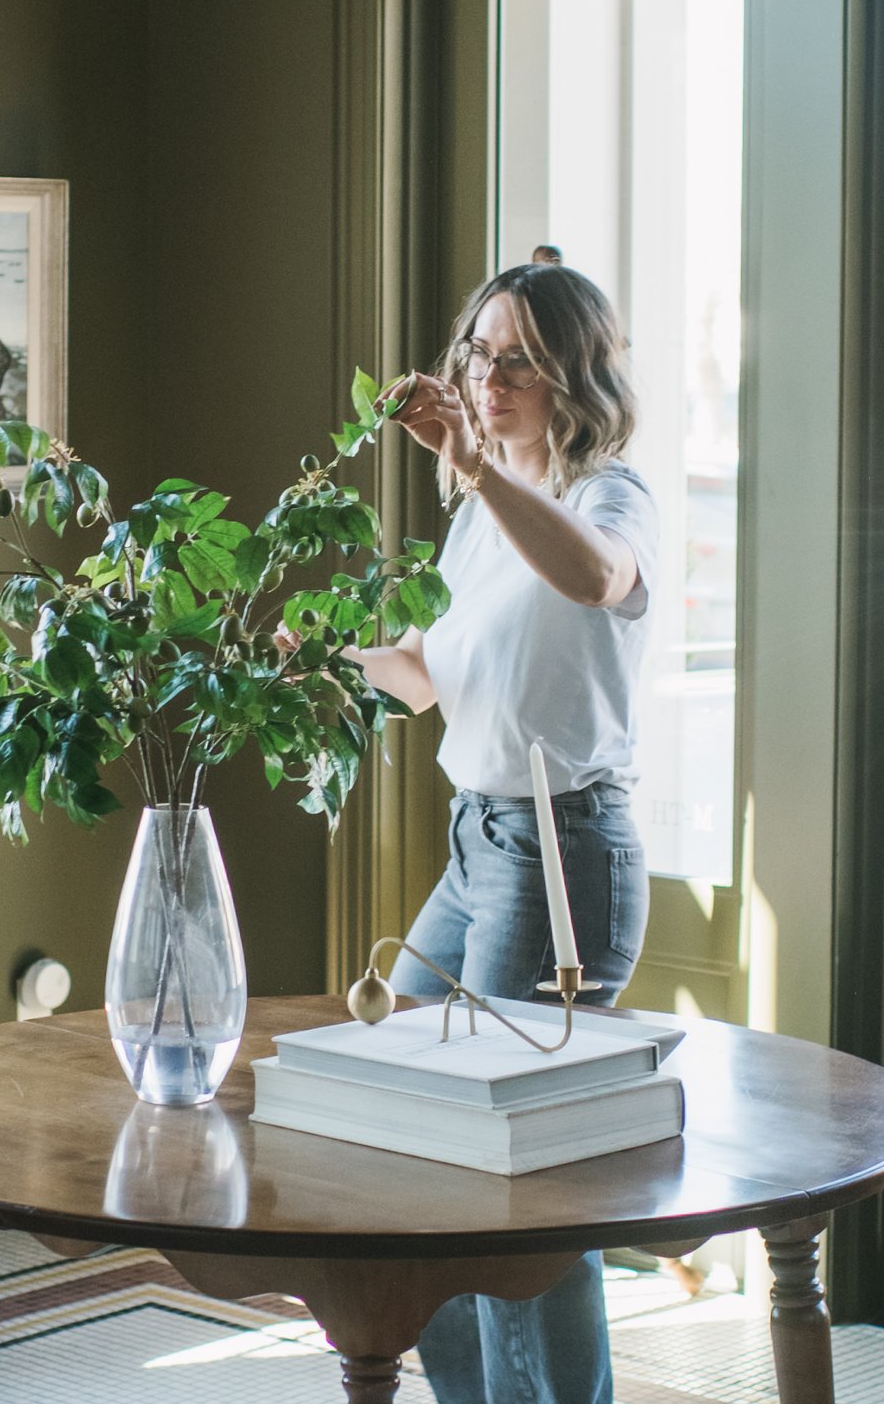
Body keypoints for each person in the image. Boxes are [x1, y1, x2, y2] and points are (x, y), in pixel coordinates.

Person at [349, 255, 655, 1404]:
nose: (487, 376)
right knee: (419, 1126)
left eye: (519, 356)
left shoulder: (607, 494)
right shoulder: (473, 522)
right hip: (478, 843)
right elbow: (428, 676)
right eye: (477, 351)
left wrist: (476, 472)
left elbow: (593, 578)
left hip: (560, 849)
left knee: (516, 1174)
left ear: (574, 371)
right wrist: (301, 664)